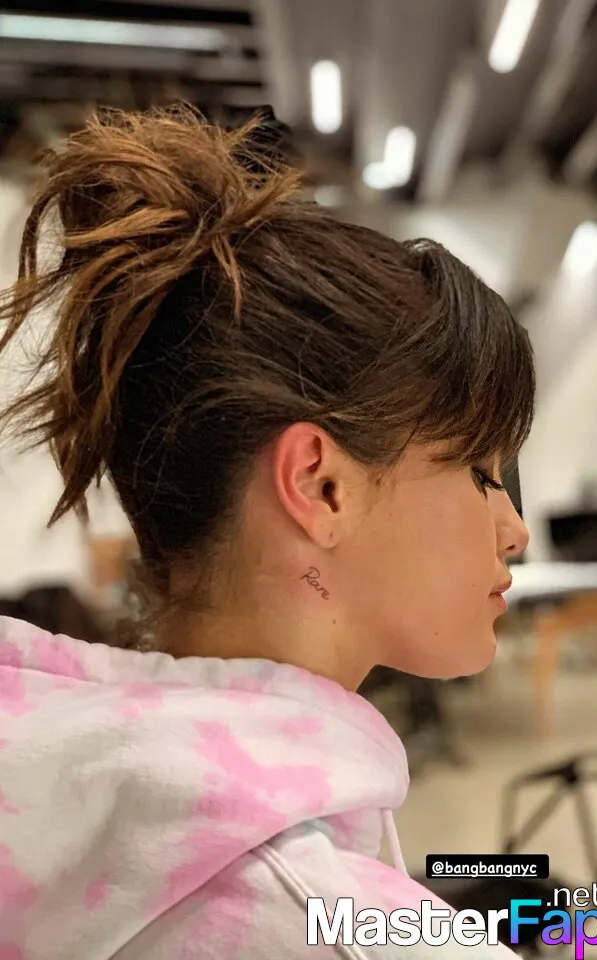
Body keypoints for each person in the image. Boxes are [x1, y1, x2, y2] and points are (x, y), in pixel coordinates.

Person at [0, 104, 534, 959]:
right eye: (480, 472)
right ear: (320, 486)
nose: (514, 531)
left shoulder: (65, 794)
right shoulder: (336, 927)